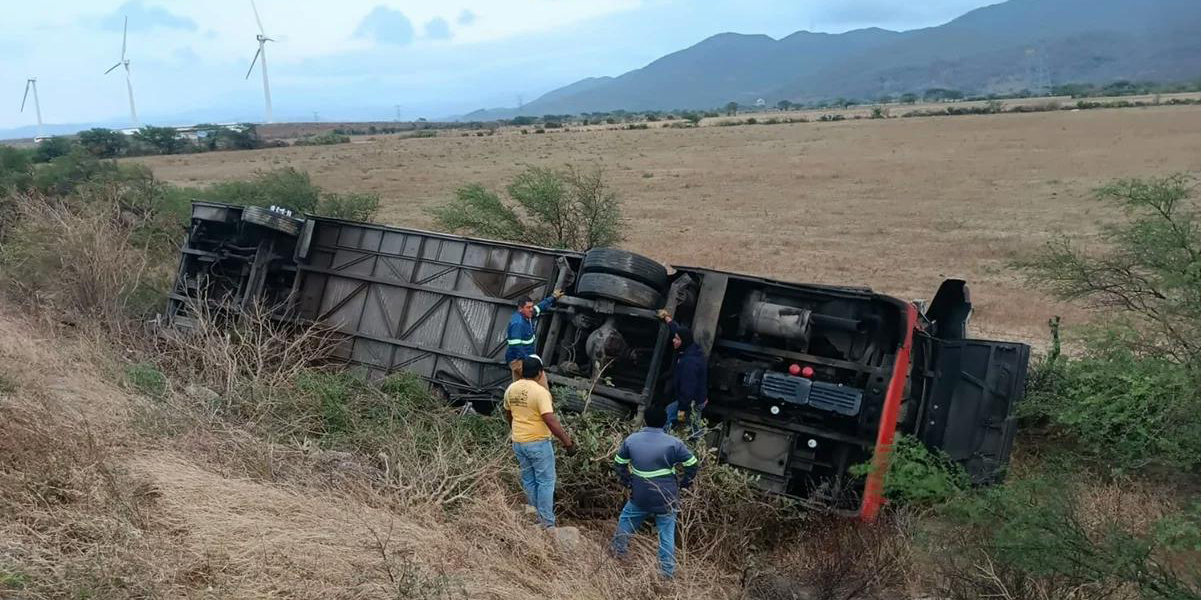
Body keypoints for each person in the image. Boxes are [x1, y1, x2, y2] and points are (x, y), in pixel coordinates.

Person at [611, 406, 699, 578]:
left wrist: (628, 481)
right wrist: (684, 483)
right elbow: (692, 464)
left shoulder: (632, 440)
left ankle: (617, 553)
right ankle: (667, 572)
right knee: (666, 533)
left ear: (645, 421)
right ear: (665, 422)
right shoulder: (674, 443)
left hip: (640, 494)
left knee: (626, 520)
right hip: (666, 496)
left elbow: (619, 463)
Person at [503, 356, 573, 528]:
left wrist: (516, 429)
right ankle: (547, 523)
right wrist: (567, 442)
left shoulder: (511, 388)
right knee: (546, 482)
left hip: (518, 442)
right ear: (540, 373)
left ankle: (534, 516)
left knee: (529, 480)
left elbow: (508, 413)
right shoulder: (541, 392)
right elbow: (549, 419)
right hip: (538, 443)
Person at [657, 310, 708, 439]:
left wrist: (682, 410)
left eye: (677, 339)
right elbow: (678, 330)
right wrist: (667, 318)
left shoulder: (688, 363)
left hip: (692, 401)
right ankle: (697, 446)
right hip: (699, 398)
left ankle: (661, 440)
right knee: (694, 424)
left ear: (683, 341)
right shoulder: (690, 347)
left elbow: (688, 388)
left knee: (670, 414)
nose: (674, 340)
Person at [506, 291, 564, 386]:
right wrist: (530, 362)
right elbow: (516, 346)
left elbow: (539, 307)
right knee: (541, 386)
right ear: (520, 309)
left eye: (531, 306)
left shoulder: (527, 315)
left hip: (519, 360)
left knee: (519, 389)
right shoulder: (518, 324)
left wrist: (553, 297)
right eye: (528, 307)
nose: (531, 309)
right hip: (519, 361)